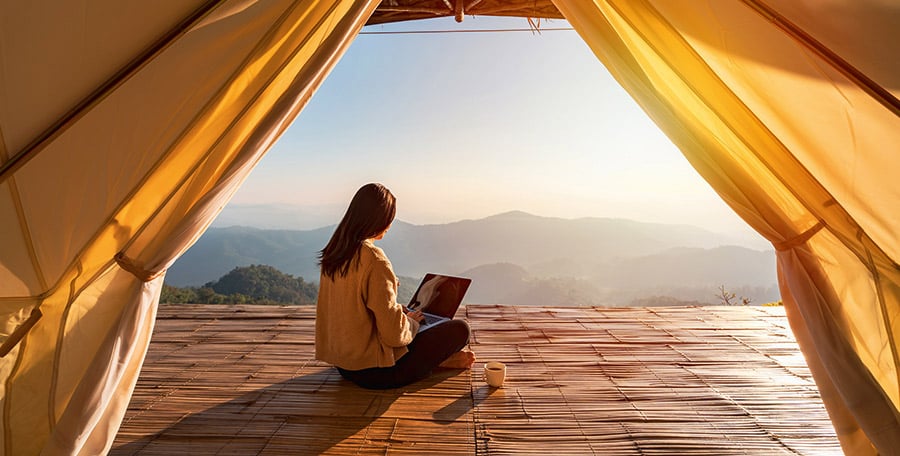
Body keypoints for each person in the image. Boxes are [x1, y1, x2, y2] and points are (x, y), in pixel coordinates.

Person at [315, 183, 475, 389]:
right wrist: (410, 323)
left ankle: (434, 361)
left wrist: (399, 312)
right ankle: (440, 363)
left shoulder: (335, 252)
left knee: (417, 322)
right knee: (460, 330)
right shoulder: (374, 260)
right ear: (380, 219)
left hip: (344, 365)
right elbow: (394, 335)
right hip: (375, 372)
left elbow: (356, 311)